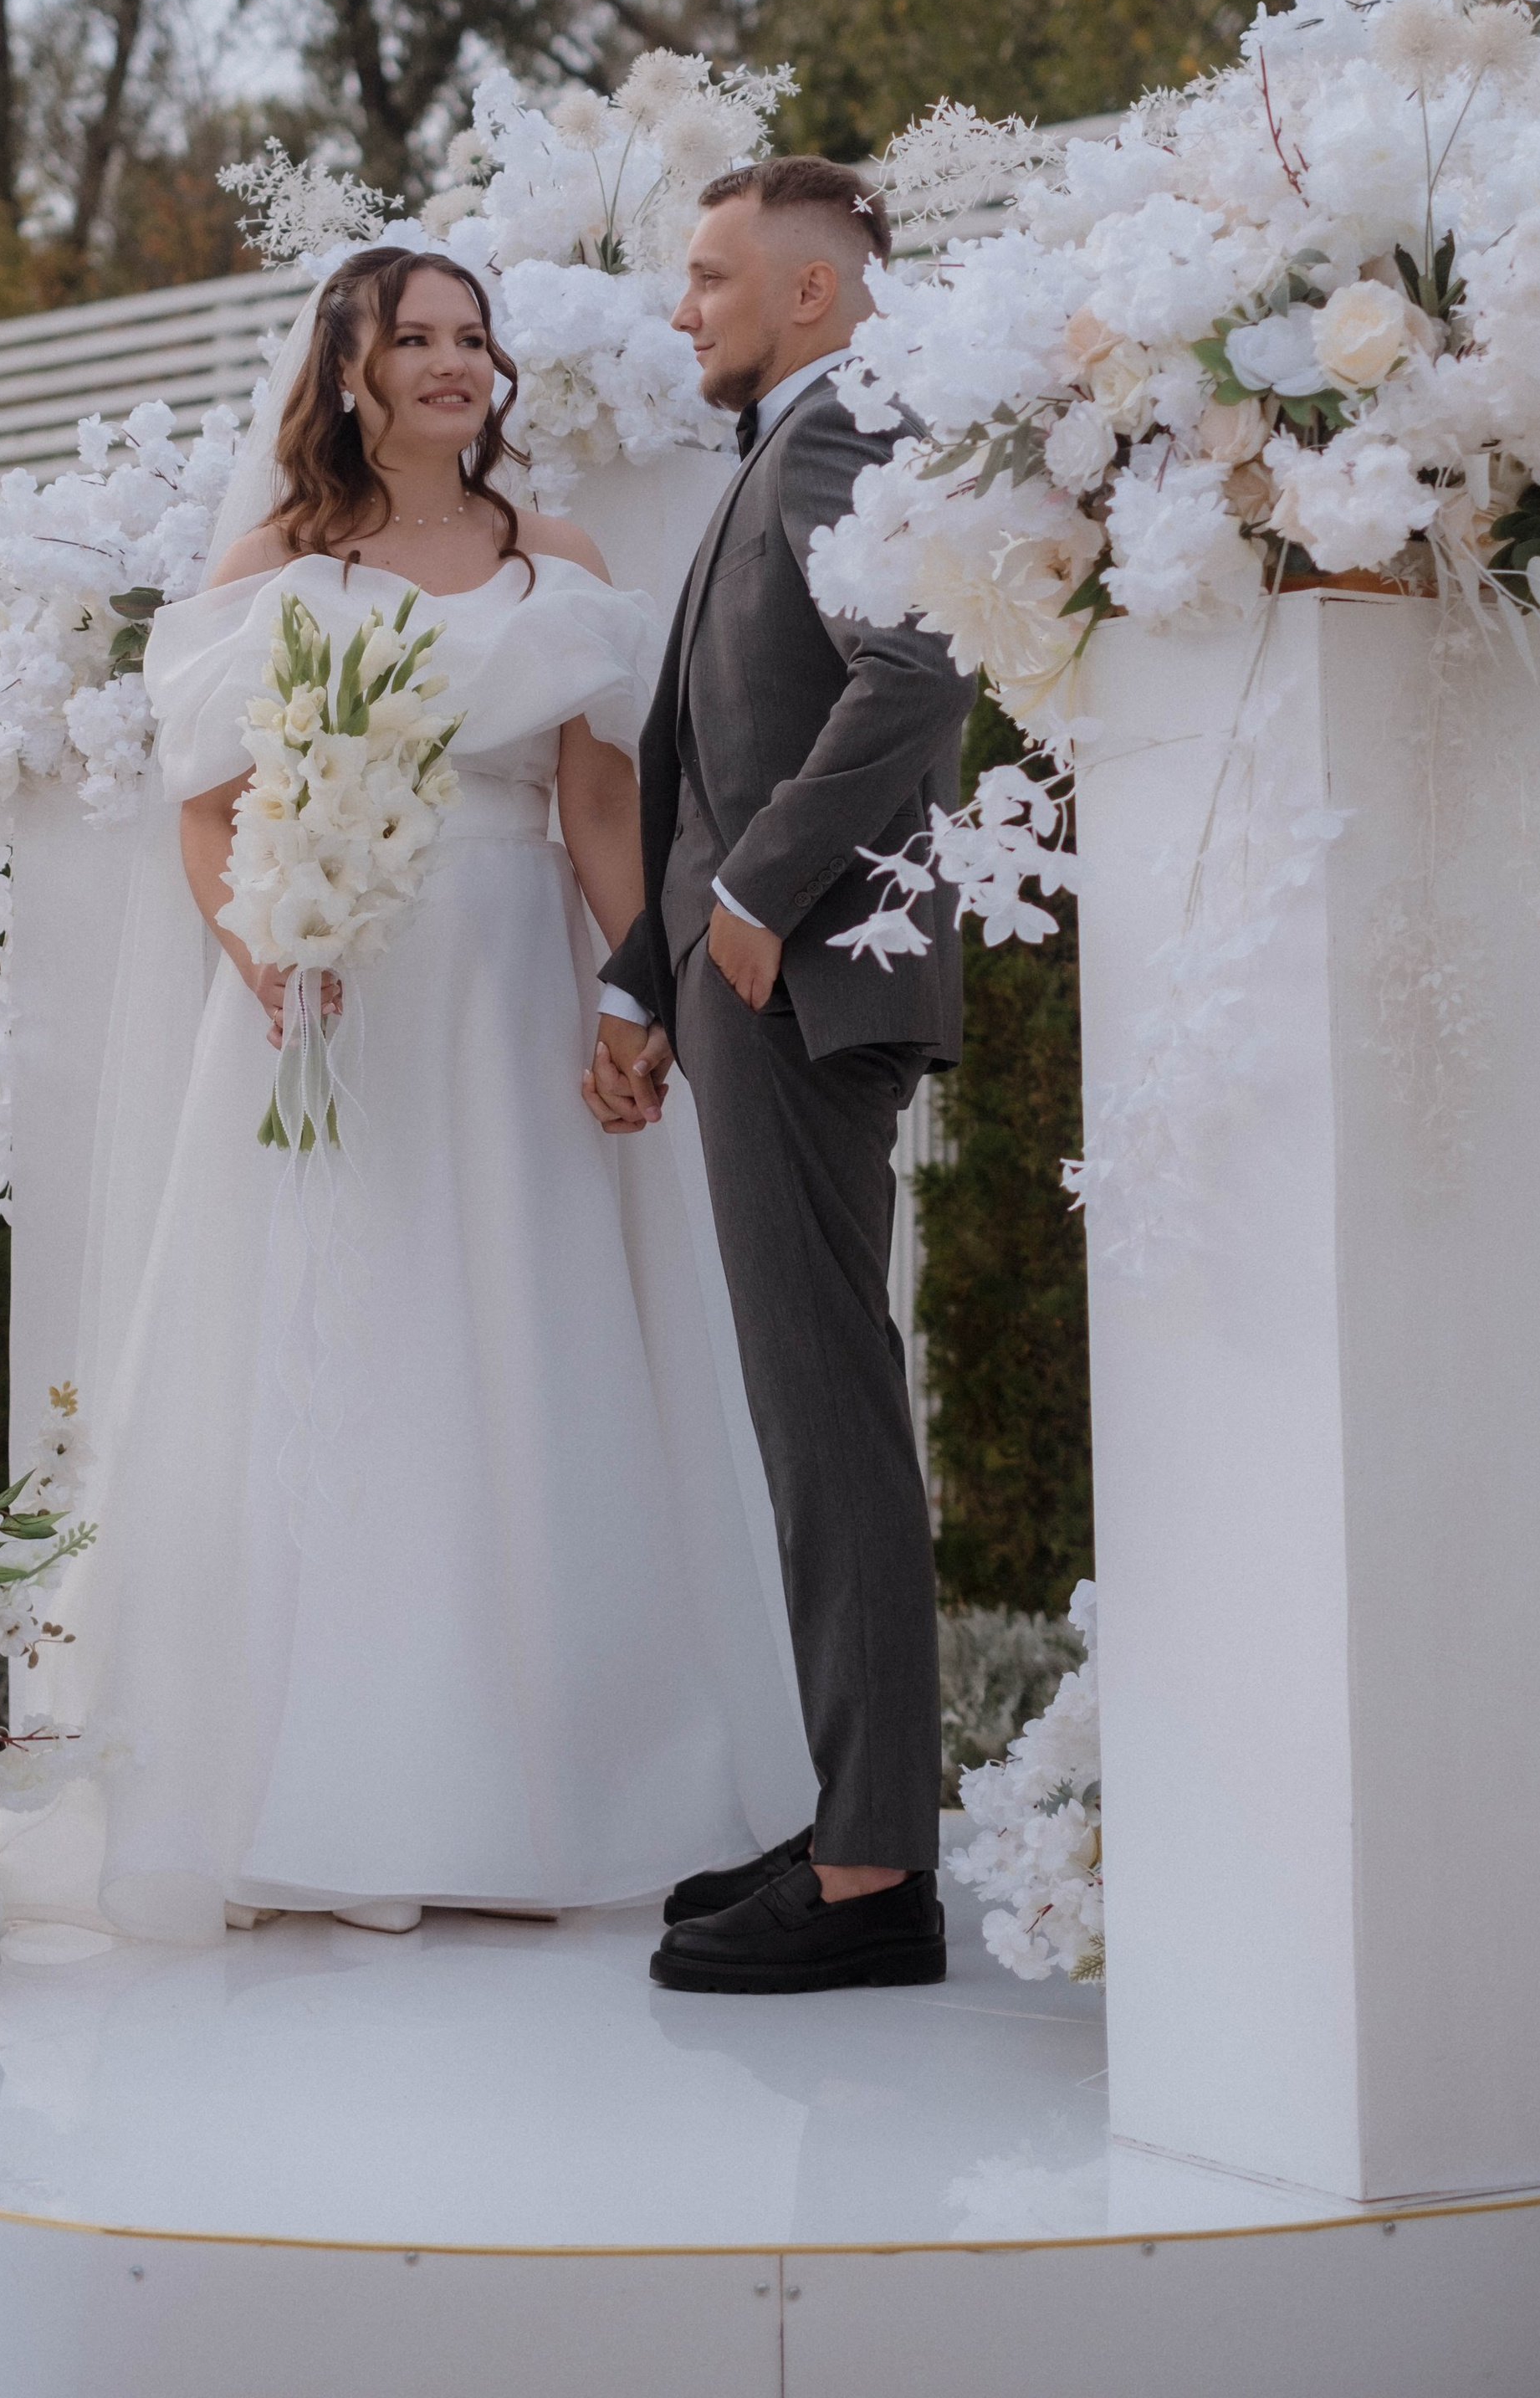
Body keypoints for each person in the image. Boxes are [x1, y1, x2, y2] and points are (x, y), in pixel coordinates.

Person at [57, 244, 815, 1942]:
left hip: (511, 985)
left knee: (526, 1341)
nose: (453, 364)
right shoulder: (273, 565)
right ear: (349, 371)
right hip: (332, 1000)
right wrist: (266, 956)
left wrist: (640, 994)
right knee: (343, 1351)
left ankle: (559, 1792)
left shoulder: (555, 559)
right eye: (415, 340)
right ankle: (326, 1799)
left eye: (472, 339)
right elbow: (207, 808)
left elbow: (599, 805)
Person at [590, 156, 975, 1996]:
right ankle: (854, 1819)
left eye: (710, 277)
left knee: (826, 1416)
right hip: (748, 989)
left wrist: (754, 899)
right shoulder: (790, 444)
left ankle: (869, 1875)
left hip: (802, 991)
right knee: (808, 1412)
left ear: (809, 292)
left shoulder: (841, 433)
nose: (682, 310)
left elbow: (920, 663)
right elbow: (712, 749)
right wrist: (643, 972)